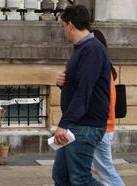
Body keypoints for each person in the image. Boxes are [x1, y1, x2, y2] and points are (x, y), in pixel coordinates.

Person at [52, 5, 111, 186]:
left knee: (80, 179)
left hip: (86, 124)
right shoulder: (82, 48)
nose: (64, 32)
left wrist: (64, 124)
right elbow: (81, 86)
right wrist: (64, 84)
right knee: (61, 176)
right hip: (76, 123)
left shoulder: (92, 49)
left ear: (70, 25)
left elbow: (84, 91)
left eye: (63, 27)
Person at [91, 29, 125, 186]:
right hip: (103, 127)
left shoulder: (100, 67)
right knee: (102, 170)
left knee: (106, 171)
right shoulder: (106, 66)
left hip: (101, 127)